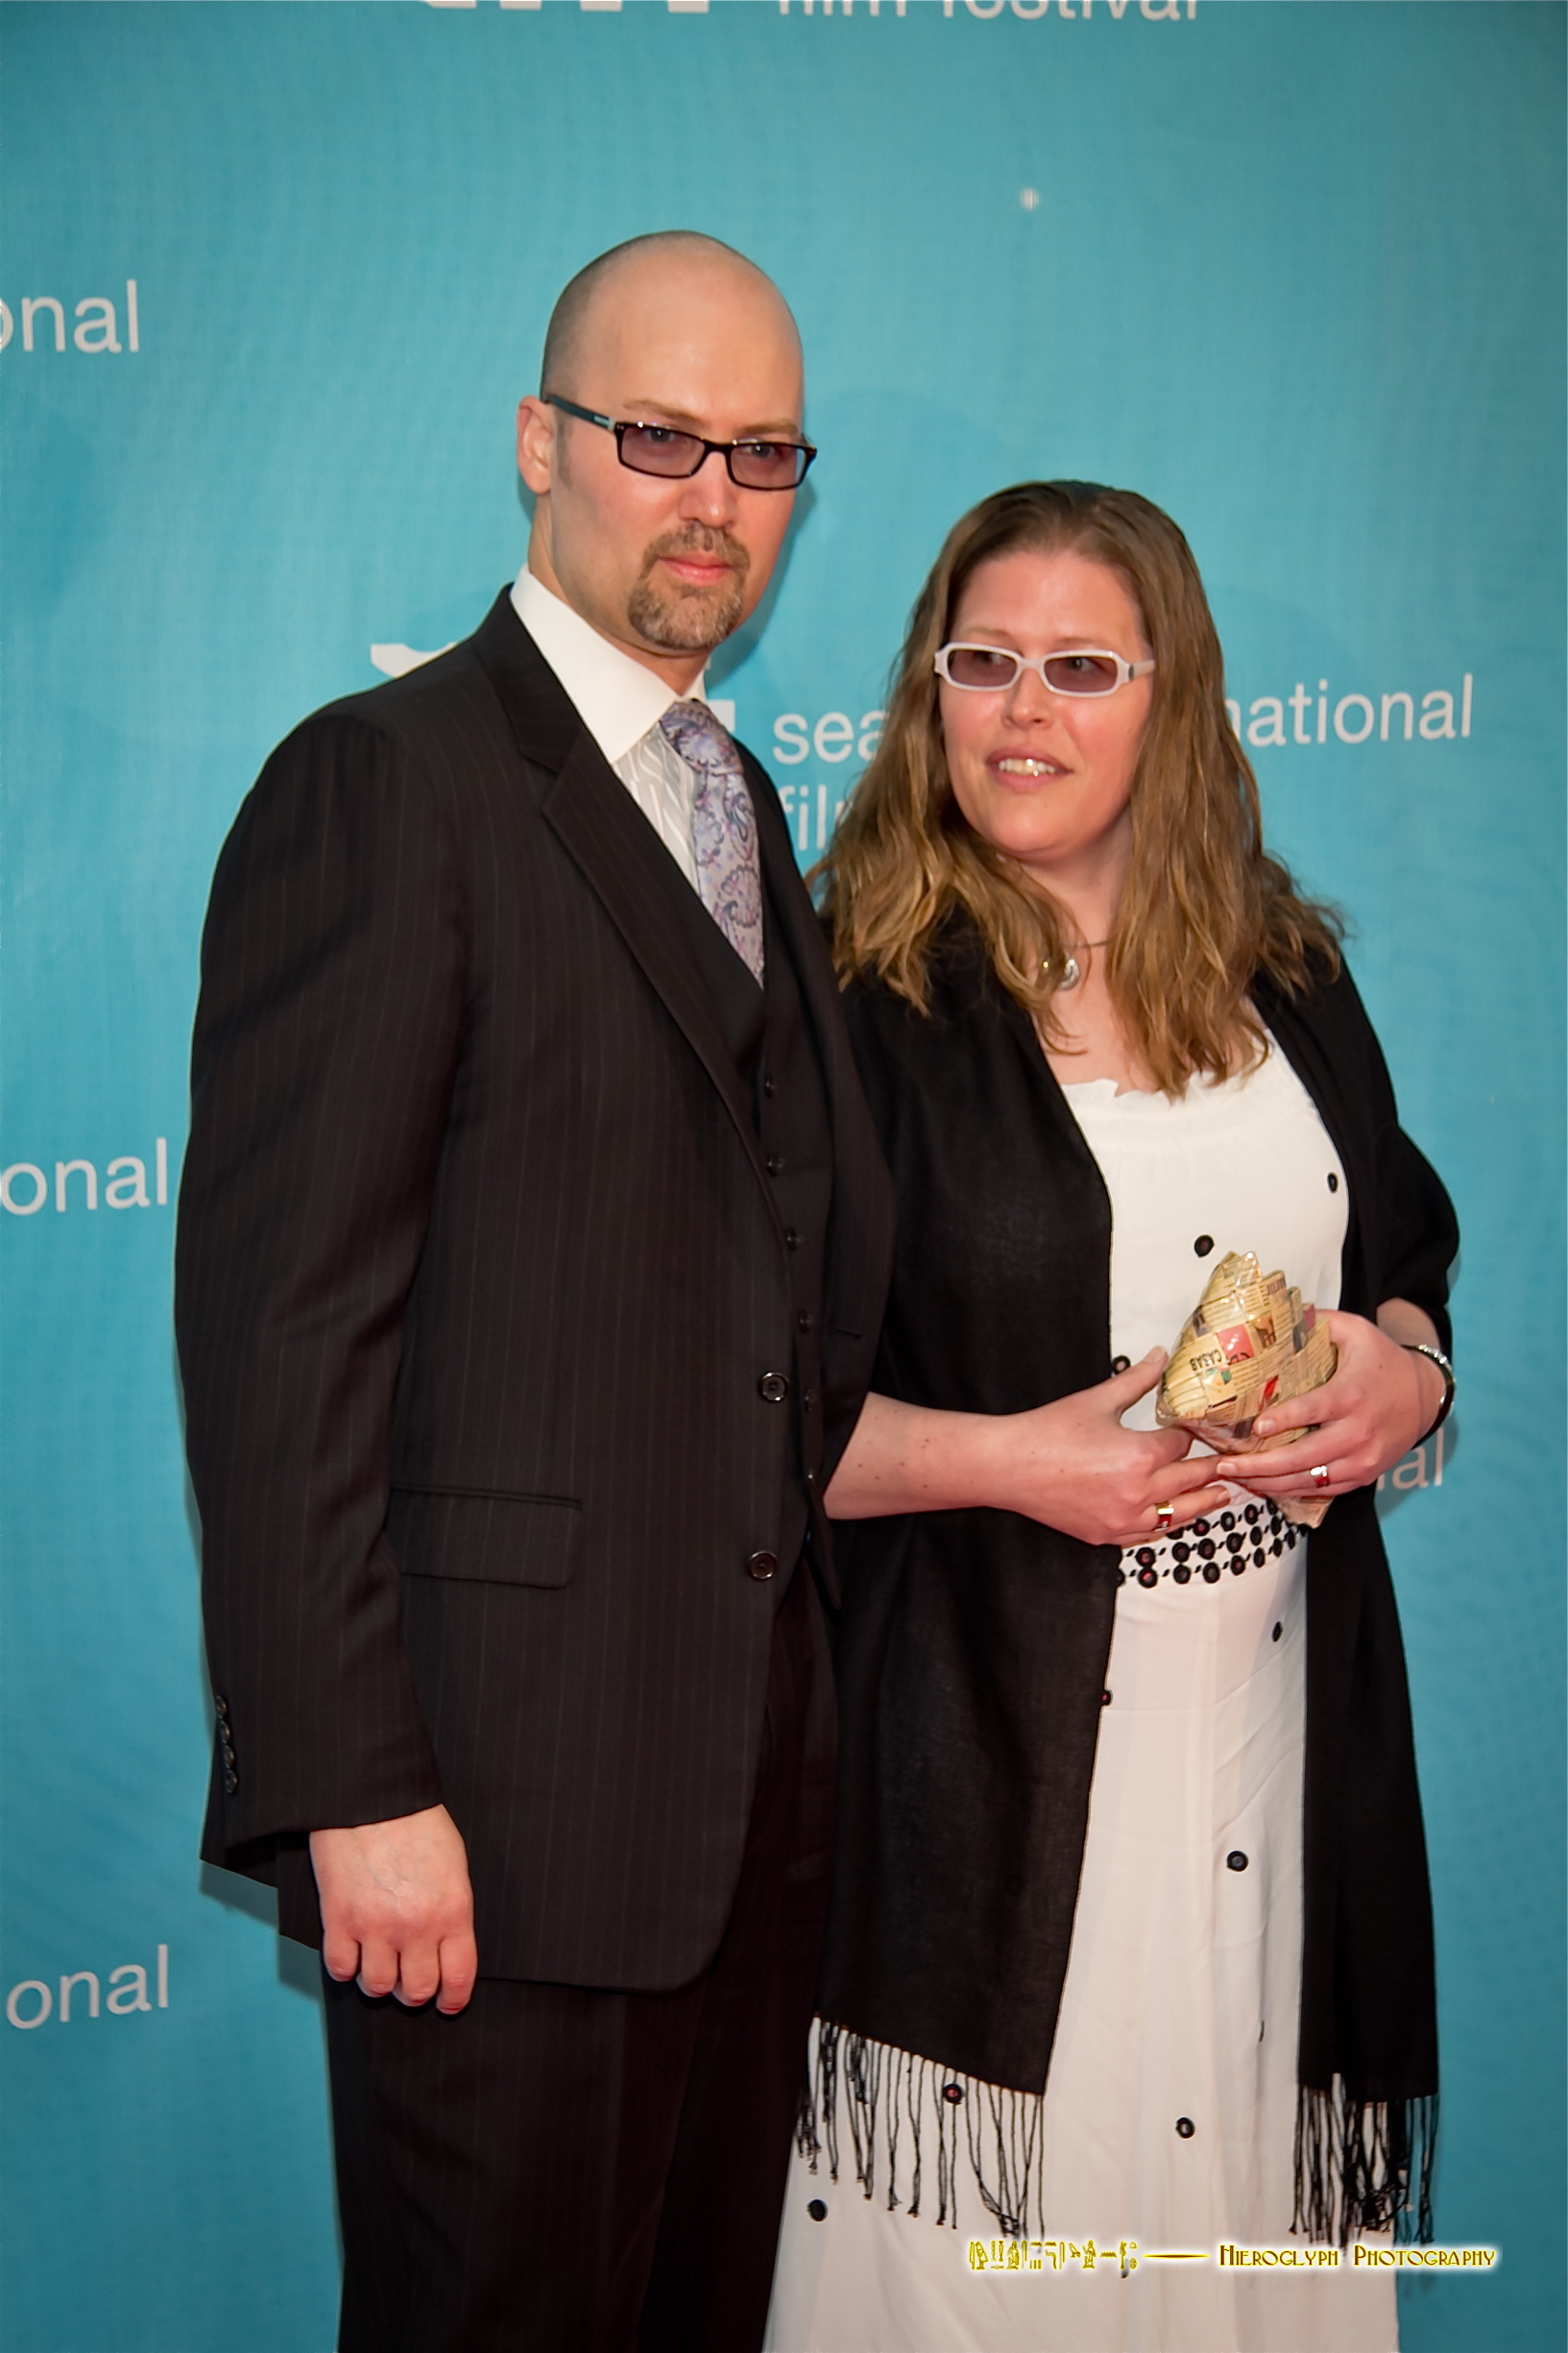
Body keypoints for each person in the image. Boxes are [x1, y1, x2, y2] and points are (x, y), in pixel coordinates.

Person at [175, 230, 894, 2353]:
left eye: (762, 453)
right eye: (656, 434)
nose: (712, 496)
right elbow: (285, 1332)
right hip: (480, 1827)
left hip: (745, 1824)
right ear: (538, 444)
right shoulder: (386, 785)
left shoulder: (739, 798)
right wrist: (353, 1786)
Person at [765, 482, 1456, 2353]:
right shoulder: (848, 1002)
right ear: (926, 693)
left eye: (1081, 665)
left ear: (1177, 697)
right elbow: (718, 1411)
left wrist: (1406, 1369)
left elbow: (1401, 1244)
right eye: (979, 661)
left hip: (1275, 1776)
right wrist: (1006, 1458)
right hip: (982, 1813)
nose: (1019, 709)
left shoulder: (1285, 968)